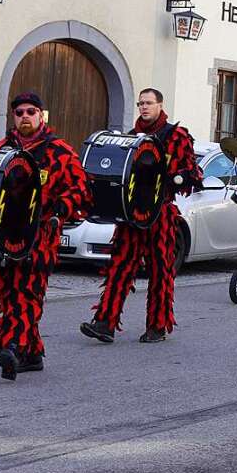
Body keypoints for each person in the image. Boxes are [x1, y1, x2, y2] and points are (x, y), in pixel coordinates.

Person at [81, 88, 203, 343]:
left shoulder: (176, 136)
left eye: (148, 103)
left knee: (160, 271)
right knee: (120, 268)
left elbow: (194, 174)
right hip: (132, 214)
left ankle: (157, 326)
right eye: (140, 104)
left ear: (160, 105)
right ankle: (105, 322)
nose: (144, 108)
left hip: (161, 213)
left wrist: (174, 177)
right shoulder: (130, 138)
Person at [0, 92, 91, 380]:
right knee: (9, 293)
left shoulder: (59, 151)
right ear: (13, 117)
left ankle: (14, 347)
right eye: (19, 112)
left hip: (41, 235)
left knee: (28, 292)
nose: (24, 116)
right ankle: (32, 354)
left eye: (30, 111)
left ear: (41, 116)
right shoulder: (0, 150)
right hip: (5, 236)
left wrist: (62, 206)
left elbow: (81, 190)